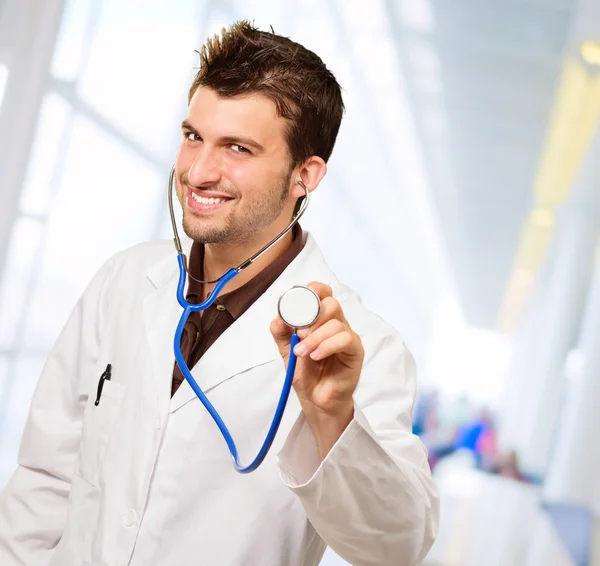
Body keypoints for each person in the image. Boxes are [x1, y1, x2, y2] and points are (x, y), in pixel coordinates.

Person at [0, 21, 439, 566]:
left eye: (237, 148)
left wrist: (333, 418)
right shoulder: (124, 280)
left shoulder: (364, 347)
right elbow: (44, 478)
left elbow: (397, 547)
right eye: (193, 137)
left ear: (305, 174)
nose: (198, 171)